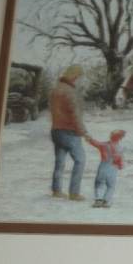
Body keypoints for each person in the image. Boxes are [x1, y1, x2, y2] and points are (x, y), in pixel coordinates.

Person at [49, 64, 88, 200]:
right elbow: (75, 115)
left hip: (56, 130)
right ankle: (74, 192)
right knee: (80, 161)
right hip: (70, 132)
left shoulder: (56, 89)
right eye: (79, 77)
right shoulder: (70, 92)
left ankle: (56, 190)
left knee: (59, 162)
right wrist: (84, 132)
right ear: (75, 76)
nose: (79, 80)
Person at [86, 130, 126, 208]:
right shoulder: (120, 148)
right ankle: (106, 201)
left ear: (111, 136)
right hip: (113, 168)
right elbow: (120, 159)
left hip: (104, 165)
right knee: (111, 185)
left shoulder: (103, 145)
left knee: (99, 183)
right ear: (120, 138)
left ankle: (98, 200)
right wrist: (120, 166)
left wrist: (89, 138)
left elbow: (95, 143)